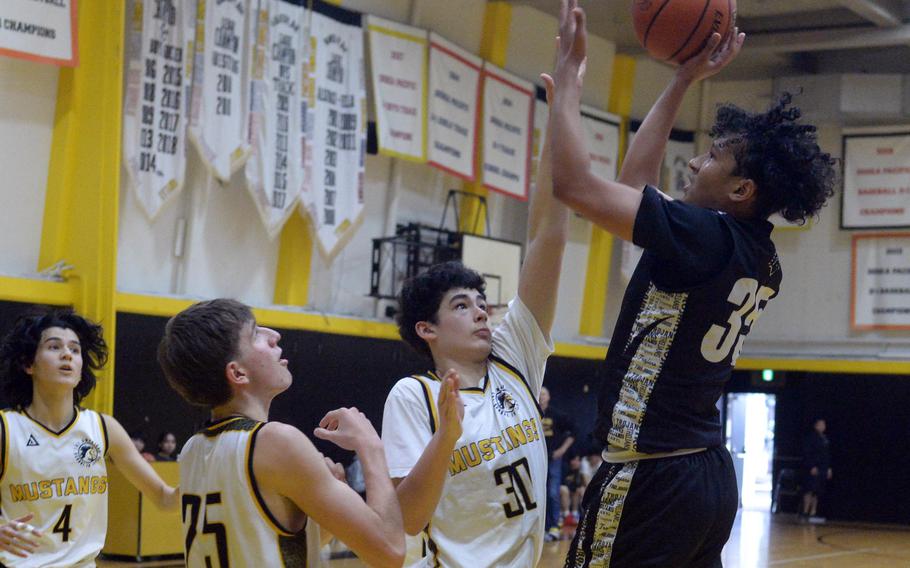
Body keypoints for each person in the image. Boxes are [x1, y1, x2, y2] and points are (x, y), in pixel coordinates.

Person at [549, 1, 837, 565]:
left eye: (709, 158)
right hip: (705, 474)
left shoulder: (704, 238)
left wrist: (565, 82)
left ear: (740, 191)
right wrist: (682, 77)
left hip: (649, 474)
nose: (693, 164)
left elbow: (572, 184)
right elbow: (635, 184)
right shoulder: (759, 255)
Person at [380, 75, 570, 567]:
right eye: (461, 305)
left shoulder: (515, 361)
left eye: (481, 301)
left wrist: (560, 114)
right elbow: (406, 519)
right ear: (428, 329)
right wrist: (446, 436)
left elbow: (549, 234)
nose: (482, 310)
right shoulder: (413, 396)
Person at [157, 299, 404, 568]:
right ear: (238, 372)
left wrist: (324, 507)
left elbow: (271, 546)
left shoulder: (194, 448)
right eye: (255, 334)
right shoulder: (274, 442)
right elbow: (390, 551)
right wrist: (370, 445)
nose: (274, 336)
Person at [0, 308, 179, 567]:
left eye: (75, 349)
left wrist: (202, 485)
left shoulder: (103, 428)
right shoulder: (7, 429)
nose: (67, 355)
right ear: (29, 364)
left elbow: (164, 497)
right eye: (54, 347)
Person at [539, 386, 575, 541]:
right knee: (539, 495)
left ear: (549, 397)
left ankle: (554, 526)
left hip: (553, 459)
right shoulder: (531, 413)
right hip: (538, 460)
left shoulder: (557, 415)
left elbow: (575, 431)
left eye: (544, 394)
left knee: (553, 492)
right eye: (539, 394)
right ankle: (542, 528)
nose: (541, 397)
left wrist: (562, 450)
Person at [800, 418, 832, 523]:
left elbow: (827, 455)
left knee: (817, 491)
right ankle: (805, 511)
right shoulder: (811, 438)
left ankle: (813, 512)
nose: (823, 426)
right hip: (813, 468)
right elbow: (807, 453)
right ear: (816, 426)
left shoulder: (825, 439)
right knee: (809, 489)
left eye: (824, 424)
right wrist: (811, 466)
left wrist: (828, 468)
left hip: (823, 468)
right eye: (820, 424)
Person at [559, 453, 586, 528]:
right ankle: (566, 515)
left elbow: (584, 485)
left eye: (578, 460)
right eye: (574, 460)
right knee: (564, 489)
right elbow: (562, 483)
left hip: (573, 495)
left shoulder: (580, 472)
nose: (576, 462)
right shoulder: (564, 468)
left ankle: (575, 514)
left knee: (580, 490)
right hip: (563, 494)